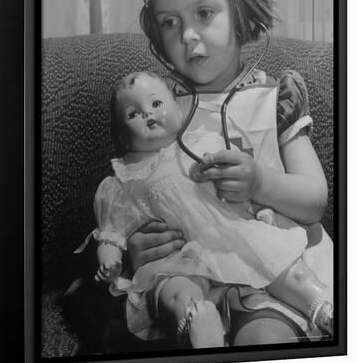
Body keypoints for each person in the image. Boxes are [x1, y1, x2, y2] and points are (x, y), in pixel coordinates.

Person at [124, 0, 333, 346]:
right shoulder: (159, 112)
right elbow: (134, 194)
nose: (187, 35)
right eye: (169, 22)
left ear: (238, 12)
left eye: (204, 13)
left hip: (282, 273)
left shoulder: (273, 99)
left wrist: (260, 182)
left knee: (264, 340)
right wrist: (136, 245)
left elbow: (315, 200)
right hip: (196, 280)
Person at [87, 70, 332, 348]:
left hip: (226, 236)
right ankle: (197, 322)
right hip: (178, 258)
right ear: (123, 137)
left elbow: (238, 188)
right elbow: (111, 231)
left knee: (281, 265)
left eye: (156, 104)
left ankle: (322, 306)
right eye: (133, 114)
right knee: (176, 293)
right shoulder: (124, 179)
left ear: (178, 111)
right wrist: (110, 260)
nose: (147, 114)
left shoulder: (203, 144)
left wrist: (261, 211)